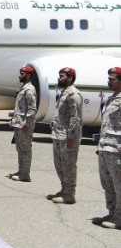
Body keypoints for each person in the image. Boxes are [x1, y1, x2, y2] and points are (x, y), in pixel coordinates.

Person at [47, 67, 82, 205]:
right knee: (60, 165)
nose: (59, 78)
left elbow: (75, 118)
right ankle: (64, 189)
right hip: (58, 134)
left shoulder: (74, 94)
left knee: (68, 166)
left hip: (68, 137)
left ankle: (69, 194)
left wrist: (71, 138)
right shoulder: (64, 93)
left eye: (62, 76)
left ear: (70, 77)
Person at [93, 67, 121, 230]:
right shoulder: (111, 99)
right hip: (105, 146)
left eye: (112, 79)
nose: (108, 82)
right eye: (108, 79)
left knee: (119, 184)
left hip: (117, 149)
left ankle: (119, 216)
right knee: (107, 183)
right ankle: (112, 212)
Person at [8, 66, 37, 182]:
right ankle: (21, 171)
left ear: (29, 75)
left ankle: (25, 174)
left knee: (25, 149)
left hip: (24, 126)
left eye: (22, 73)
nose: (20, 75)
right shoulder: (23, 88)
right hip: (19, 124)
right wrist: (13, 120)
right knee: (20, 149)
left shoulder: (29, 90)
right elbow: (20, 108)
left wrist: (26, 124)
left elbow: (32, 109)